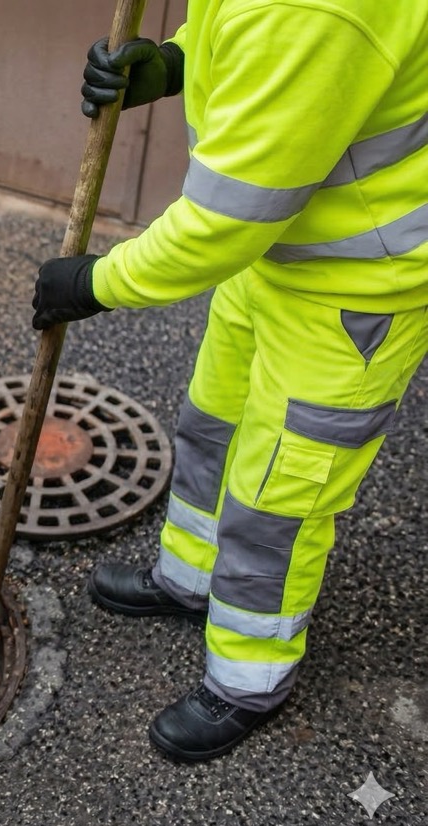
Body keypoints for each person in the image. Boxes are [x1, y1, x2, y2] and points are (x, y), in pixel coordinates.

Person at [32, 1, 428, 762]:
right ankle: (190, 578)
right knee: (212, 421)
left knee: (278, 496)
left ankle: (249, 678)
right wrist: (178, 61)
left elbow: (222, 225)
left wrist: (95, 282)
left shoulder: (309, 12)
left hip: (356, 288)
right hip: (286, 247)